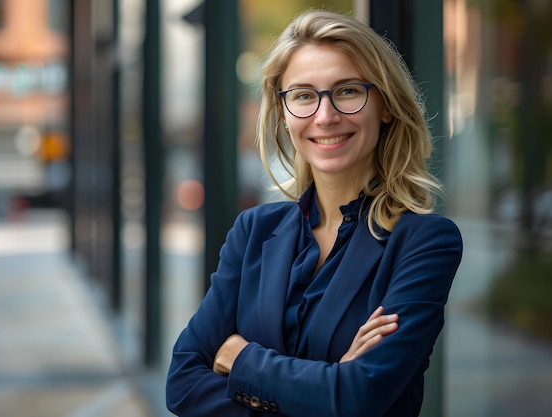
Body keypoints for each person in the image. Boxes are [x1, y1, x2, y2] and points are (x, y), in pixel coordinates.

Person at [166, 9, 463, 417]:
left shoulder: (425, 243)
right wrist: (327, 384)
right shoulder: (253, 230)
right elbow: (182, 384)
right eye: (304, 95)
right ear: (285, 114)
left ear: (387, 105)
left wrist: (242, 359)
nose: (325, 116)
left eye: (347, 91)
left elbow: (359, 398)